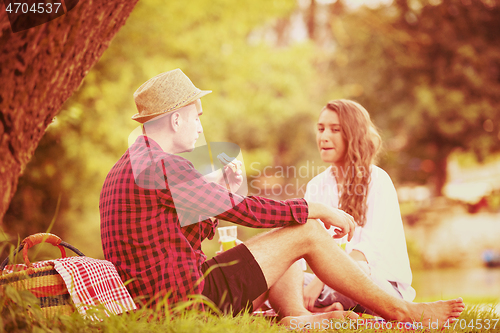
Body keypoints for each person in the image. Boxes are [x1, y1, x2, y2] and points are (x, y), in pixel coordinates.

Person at [99, 69, 464, 328]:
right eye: (196, 118)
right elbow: (246, 211)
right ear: (176, 120)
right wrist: (316, 209)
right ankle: (404, 312)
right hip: (187, 303)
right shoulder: (164, 166)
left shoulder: (132, 166)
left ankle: (300, 320)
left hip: (168, 300)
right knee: (304, 229)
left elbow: (184, 237)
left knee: (288, 236)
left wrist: (223, 191)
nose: (200, 127)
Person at [301, 99, 416, 315]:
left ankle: (319, 308)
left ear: (352, 135)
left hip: (379, 287)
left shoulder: (377, 180)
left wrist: (319, 281)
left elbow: (368, 252)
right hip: (330, 286)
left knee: (359, 272)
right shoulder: (316, 186)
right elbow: (303, 244)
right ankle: (328, 310)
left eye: (335, 130)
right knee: (281, 280)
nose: (324, 136)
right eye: (320, 128)